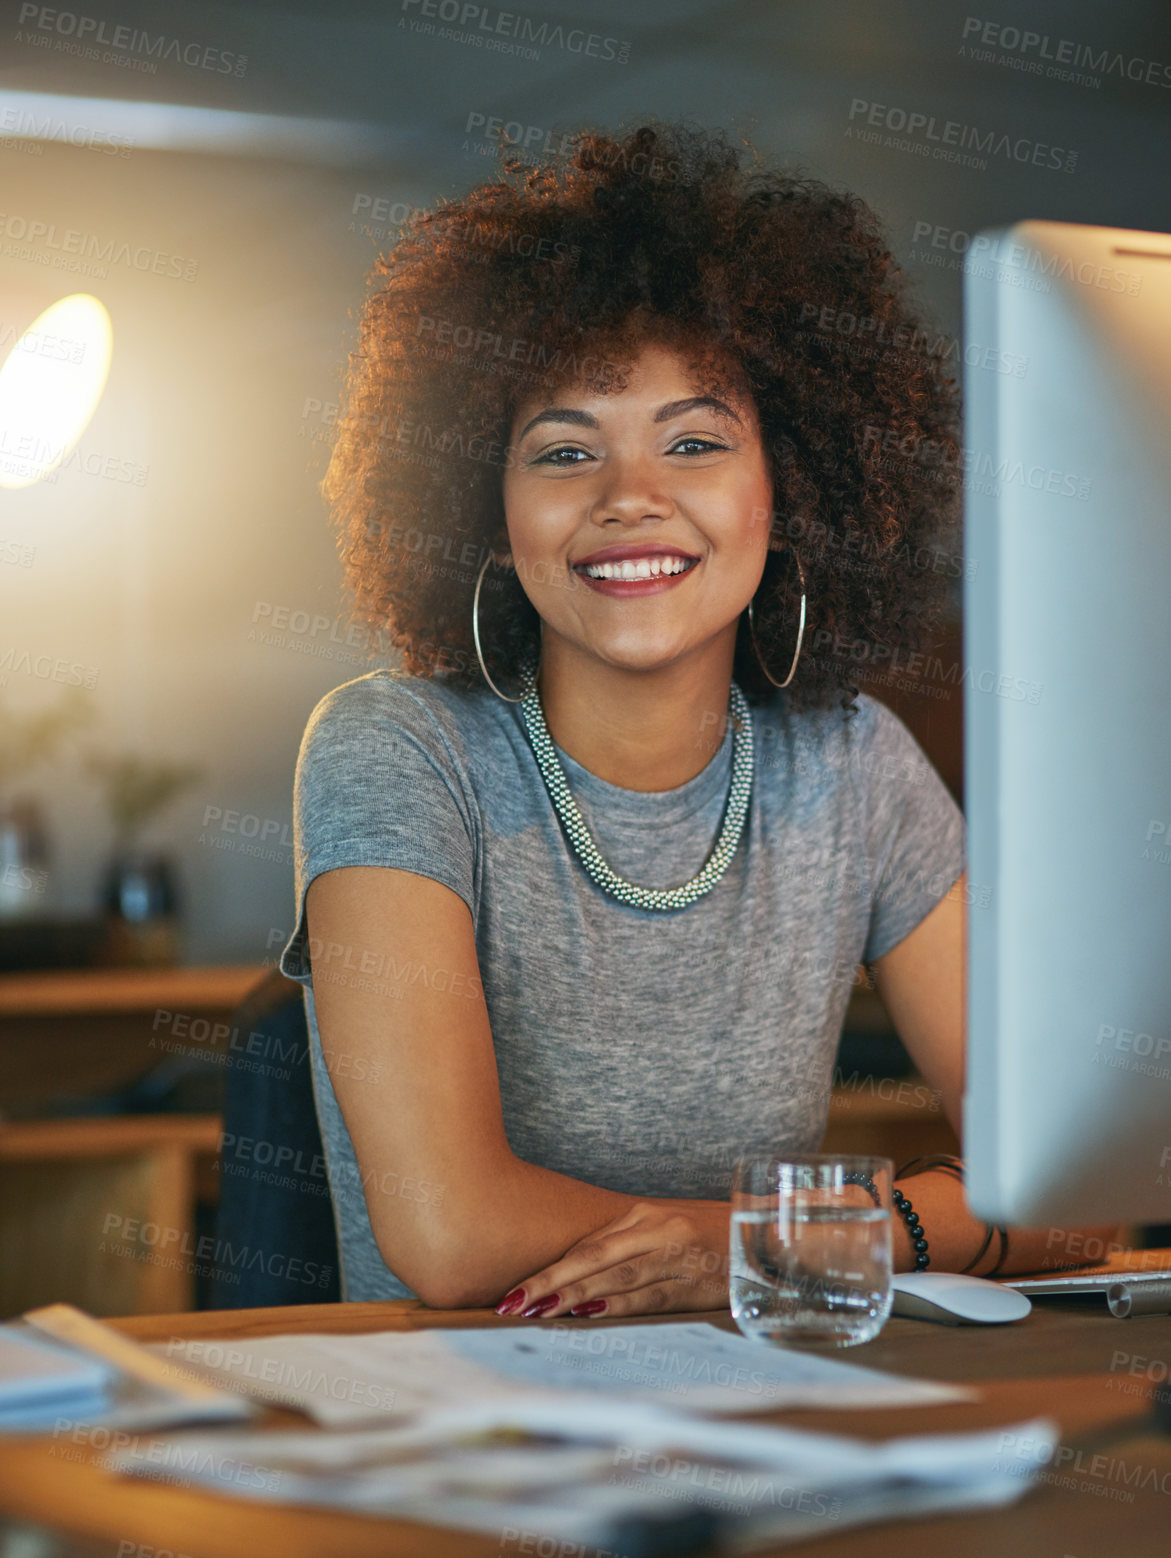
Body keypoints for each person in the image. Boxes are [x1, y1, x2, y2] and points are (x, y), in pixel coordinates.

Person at [277, 120, 1118, 1313]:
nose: (631, 498)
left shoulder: (853, 764)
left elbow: (1078, 1196)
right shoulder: (400, 750)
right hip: (471, 1443)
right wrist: (836, 1237)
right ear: (486, 505)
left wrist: (733, 1246)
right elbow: (452, 1234)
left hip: (782, 1420)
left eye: (695, 441)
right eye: (564, 452)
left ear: (791, 485)